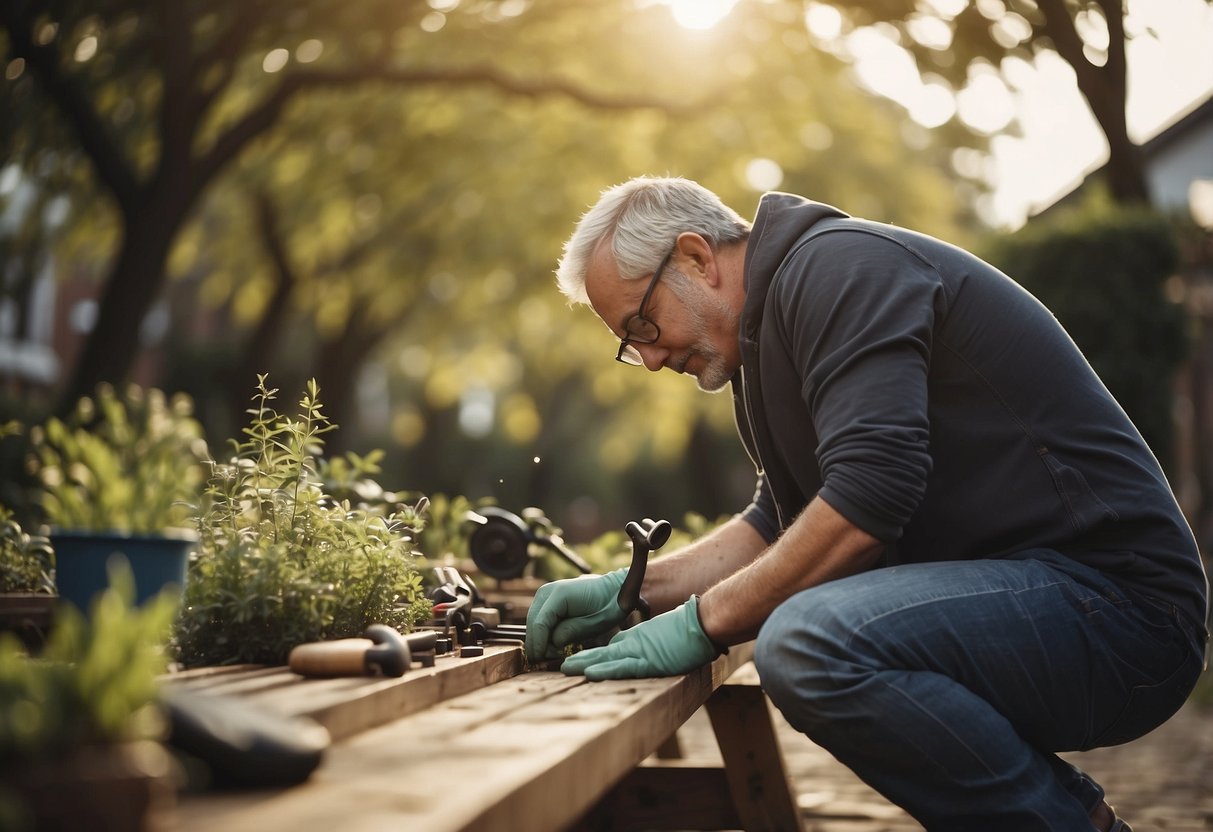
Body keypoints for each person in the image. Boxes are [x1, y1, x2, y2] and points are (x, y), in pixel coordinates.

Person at [524, 176, 1210, 831]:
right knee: (807, 633)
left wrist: (702, 622)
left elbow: (871, 492)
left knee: (809, 642)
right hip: (1042, 598)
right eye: (628, 343)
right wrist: (635, 589)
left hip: (1123, 610)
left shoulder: (838, 269)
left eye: (642, 325)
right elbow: (781, 522)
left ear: (696, 257)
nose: (645, 360)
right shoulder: (761, 345)